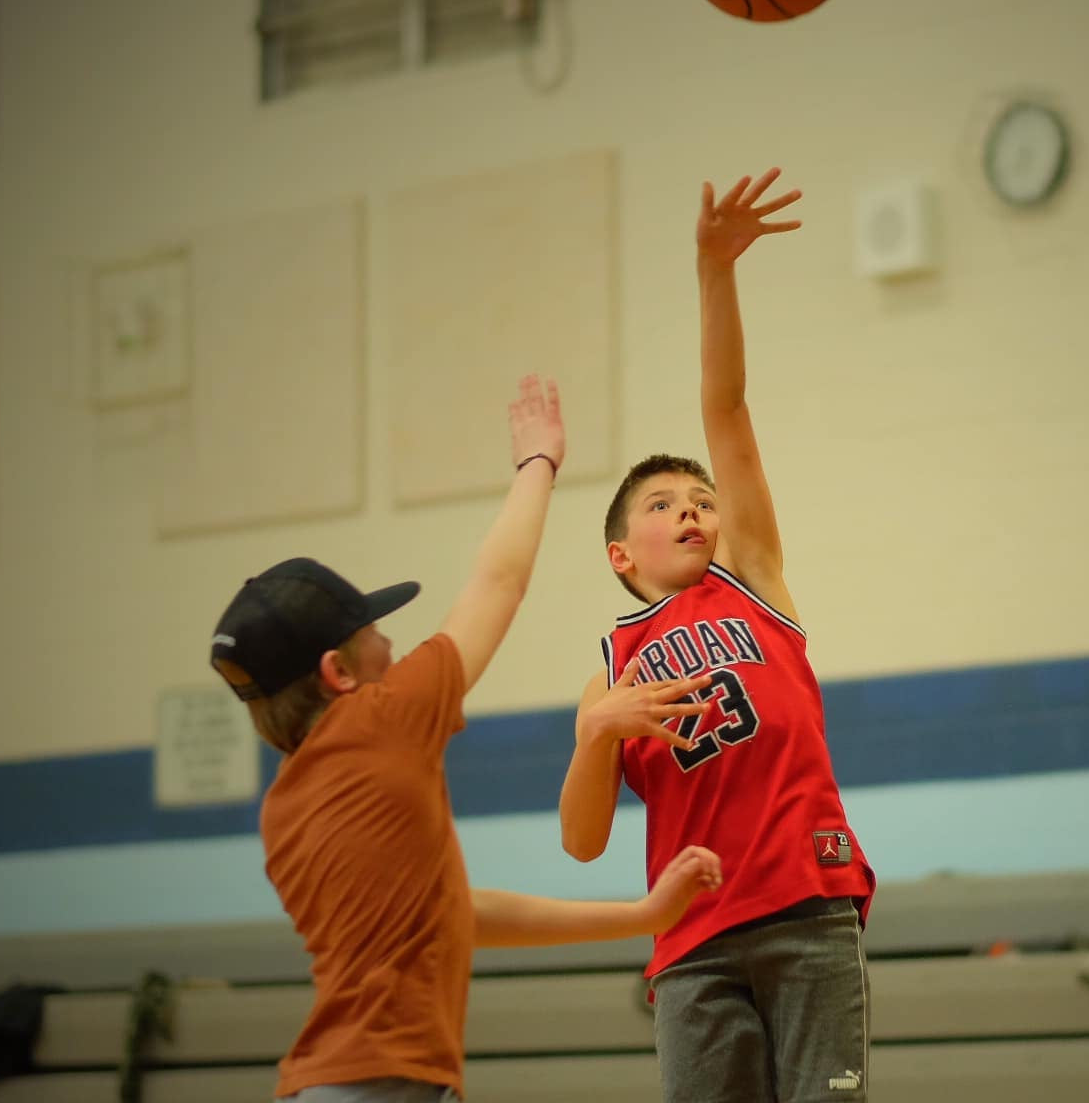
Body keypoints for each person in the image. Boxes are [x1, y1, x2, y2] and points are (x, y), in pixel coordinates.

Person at [208, 375, 722, 1103]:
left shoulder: (285, 810)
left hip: (332, 1084)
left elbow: (456, 912)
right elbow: (497, 584)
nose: (392, 645)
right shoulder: (383, 720)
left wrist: (641, 917)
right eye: (374, 634)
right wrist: (537, 464)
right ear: (338, 673)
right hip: (383, 1087)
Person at [559, 172, 876, 1103]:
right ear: (622, 552)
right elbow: (581, 843)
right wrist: (597, 732)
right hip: (692, 939)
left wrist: (714, 271)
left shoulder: (753, 580)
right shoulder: (610, 671)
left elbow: (725, 410)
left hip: (807, 909)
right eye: (664, 504)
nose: (692, 510)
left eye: (701, 500)